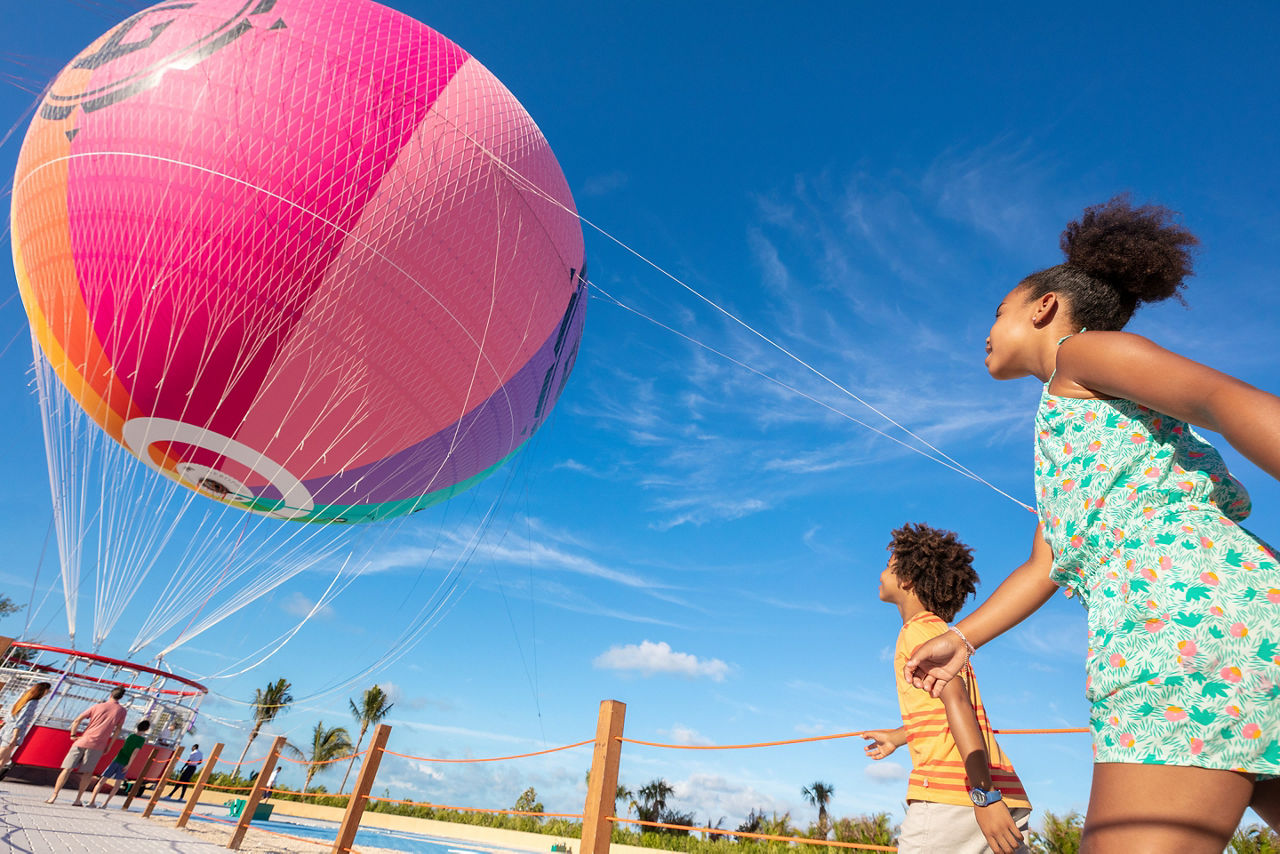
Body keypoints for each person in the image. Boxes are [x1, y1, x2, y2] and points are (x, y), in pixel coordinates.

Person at [902, 196, 1280, 852]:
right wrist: (965, 638)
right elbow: (1045, 565)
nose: (986, 330)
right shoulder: (1067, 434)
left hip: (1181, 625)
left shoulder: (1082, 358)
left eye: (998, 312)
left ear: (1044, 307)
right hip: (1239, 624)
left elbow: (1223, 400)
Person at [863, 523, 1031, 854]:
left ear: (907, 579)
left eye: (889, 565)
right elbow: (945, 712)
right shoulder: (943, 636)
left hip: (957, 796)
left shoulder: (917, 632)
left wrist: (983, 794)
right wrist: (899, 737)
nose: (881, 572)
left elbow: (956, 702)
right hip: (1001, 792)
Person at [46, 686, 129, 805]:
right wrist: (109, 746)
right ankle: (78, 799)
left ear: (111, 694)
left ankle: (53, 796)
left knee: (67, 769)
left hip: (82, 741)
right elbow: (117, 730)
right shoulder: (122, 711)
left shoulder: (97, 706)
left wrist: (73, 734)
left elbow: (77, 720)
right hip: (98, 745)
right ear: (121, 697)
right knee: (87, 773)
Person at [86, 719, 150, 809]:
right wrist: (129, 765)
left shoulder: (130, 736)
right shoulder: (141, 740)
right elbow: (134, 752)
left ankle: (91, 801)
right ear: (146, 729)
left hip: (117, 759)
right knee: (117, 785)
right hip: (125, 762)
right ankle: (105, 803)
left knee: (102, 781)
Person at [0, 681, 53, 780]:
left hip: (6, 729)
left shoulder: (23, 698)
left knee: (5, 759)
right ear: (43, 691)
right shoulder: (33, 702)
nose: (48, 692)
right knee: (2, 757)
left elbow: (10, 716)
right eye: (48, 690)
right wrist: (15, 737)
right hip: (12, 733)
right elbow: (21, 720)